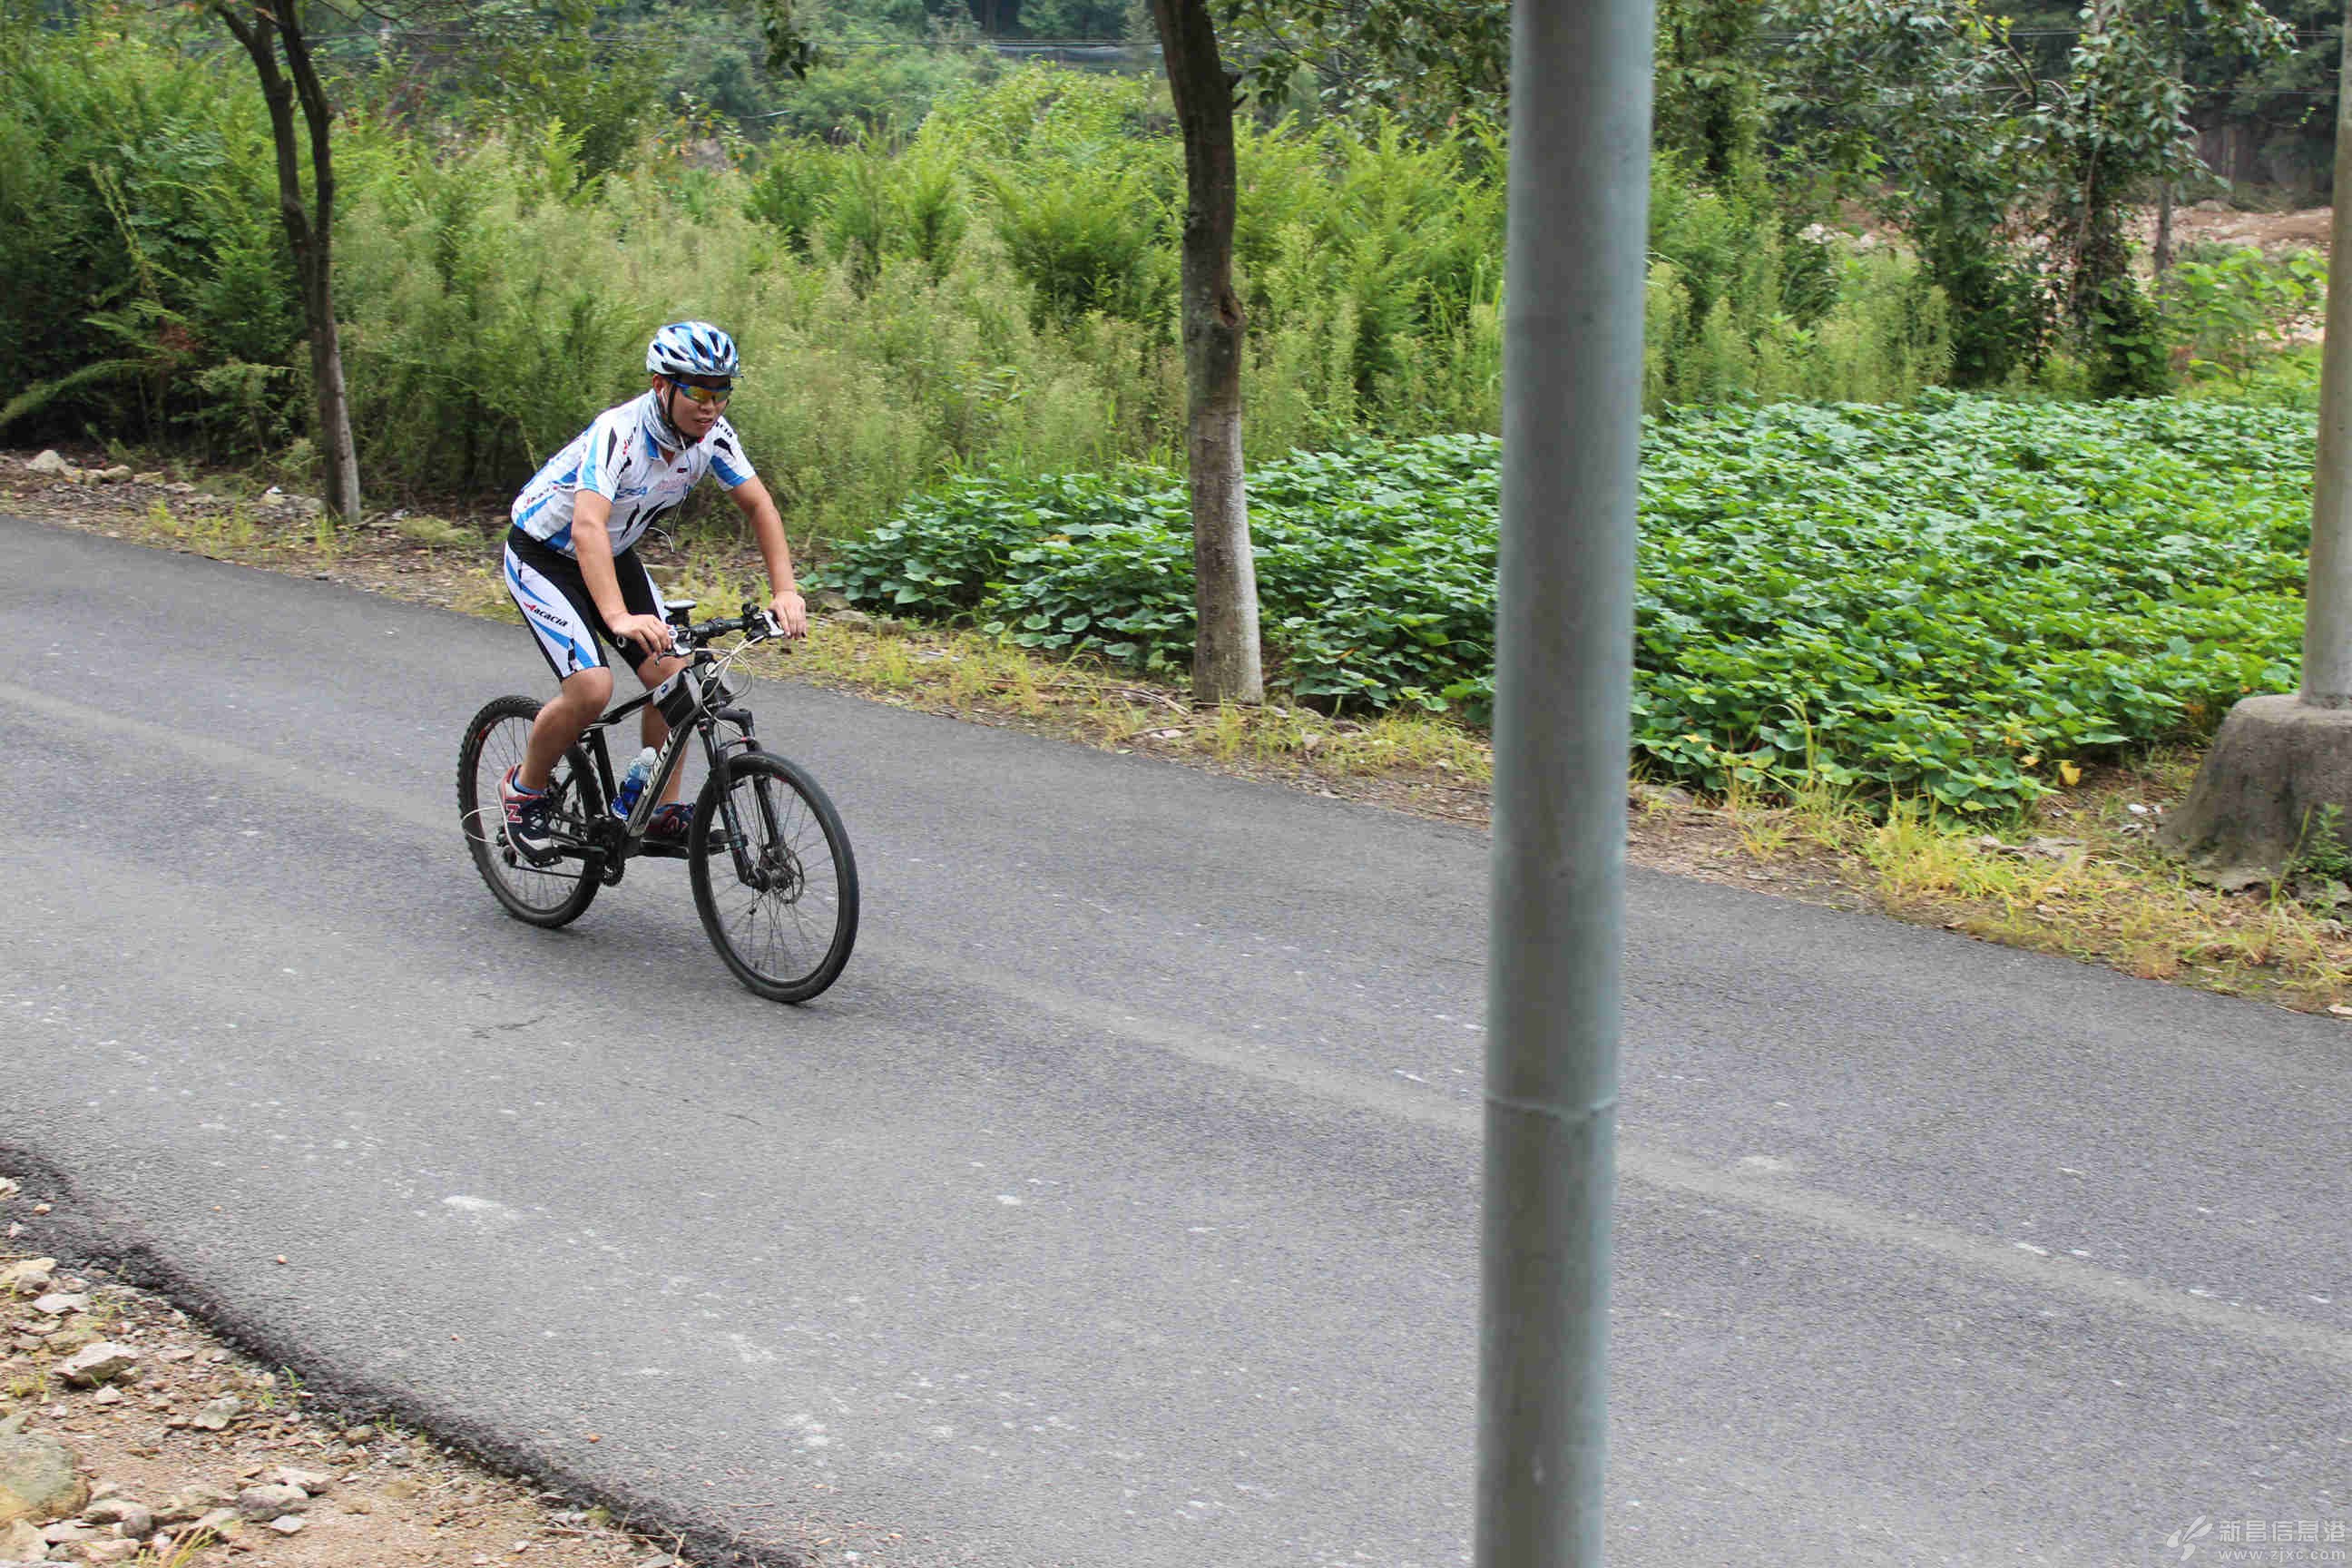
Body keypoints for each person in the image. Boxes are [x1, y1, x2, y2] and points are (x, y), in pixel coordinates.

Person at [498, 320, 807, 858]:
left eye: (721, 392)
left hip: (610, 556)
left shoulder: (713, 438)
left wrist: (785, 591)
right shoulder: (617, 433)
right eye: (698, 391)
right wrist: (617, 618)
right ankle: (524, 791)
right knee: (591, 689)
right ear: (663, 386)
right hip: (544, 554)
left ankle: (661, 809)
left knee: (677, 678)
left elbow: (760, 506)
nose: (710, 406)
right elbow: (586, 526)